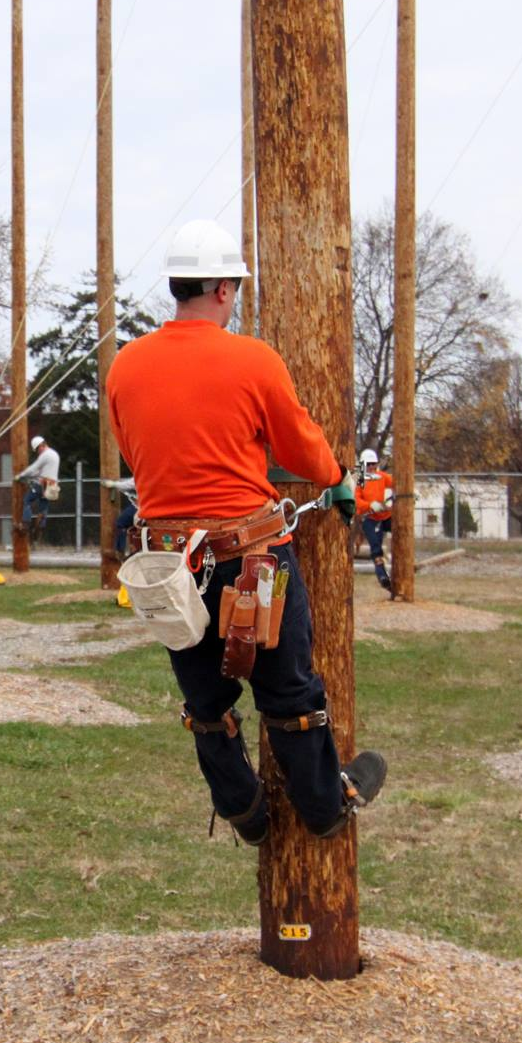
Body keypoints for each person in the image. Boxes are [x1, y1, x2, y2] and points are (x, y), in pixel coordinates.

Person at [106, 219, 387, 847]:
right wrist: (337, 477)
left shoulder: (126, 366)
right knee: (288, 689)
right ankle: (322, 804)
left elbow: (136, 452)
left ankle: (243, 807)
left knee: (205, 698)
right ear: (226, 289)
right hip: (250, 557)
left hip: (168, 563)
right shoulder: (251, 360)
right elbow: (302, 446)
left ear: (178, 286)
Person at [355, 448, 396, 595]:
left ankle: (397, 570)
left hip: (386, 516)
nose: (372, 467)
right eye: (369, 464)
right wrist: (370, 505)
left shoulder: (382, 477)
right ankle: (383, 576)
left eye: (374, 464)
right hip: (370, 518)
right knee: (376, 548)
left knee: (398, 538)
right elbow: (357, 501)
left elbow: (397, 484)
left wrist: (410, 493)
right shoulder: (360, 481)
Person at [15, 435, 59, 543]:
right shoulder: (54, 454)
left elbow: (33, 468)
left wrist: (21, 476)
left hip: (42, 484)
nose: (38, 452)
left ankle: (25, 524)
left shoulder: (45, 455)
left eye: (37, 449)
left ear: (40, 446)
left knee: (27, 501)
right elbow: (41, 471)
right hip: (51, 487)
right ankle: (39, 529)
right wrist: (30, 476)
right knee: (43, 508)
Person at [104, 475, 138, 558]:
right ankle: (133, 548)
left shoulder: (143, 474)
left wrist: (113, 484)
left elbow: (129, 484)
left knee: (121, 523)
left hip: (139, 507)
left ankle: (120, 550)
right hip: (151, 507)